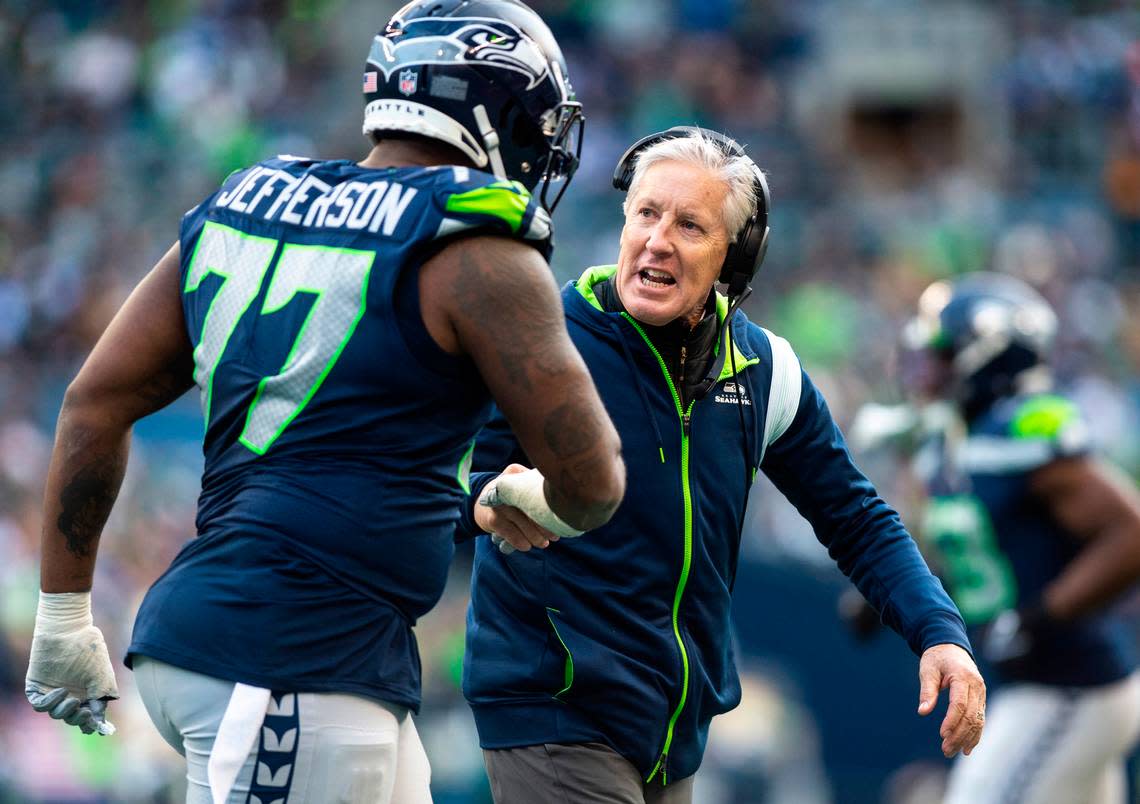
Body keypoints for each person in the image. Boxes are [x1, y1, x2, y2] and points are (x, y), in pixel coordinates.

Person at [23, 1, 625, 802]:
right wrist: (525, 495)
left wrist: (62, 616)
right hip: (290, 662)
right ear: (491, 110)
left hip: (280, 648)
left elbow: (94, 401)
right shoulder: (474, 246)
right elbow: (594, 483)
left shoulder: (250, 202)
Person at [456, 127, 986, 804]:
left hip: (674, 735)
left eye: (690, 225)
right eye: (646, 213)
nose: (657, 240)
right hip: (554, 707)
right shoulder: (541, 336)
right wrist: (485, 497)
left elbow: (856, 518)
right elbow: (429, 485)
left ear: (736, 259)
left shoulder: (767, 371)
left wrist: (940, 633)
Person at [895, 273, 1140, 803]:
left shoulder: (1024, 428)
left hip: (1070, 685)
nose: (926, 369)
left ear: (988, 357)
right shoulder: (950, 443)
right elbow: (973, 552)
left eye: (942, 354)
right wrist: (891, 595)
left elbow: (1131, 533)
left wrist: (1041, 615)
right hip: (1041, 687)